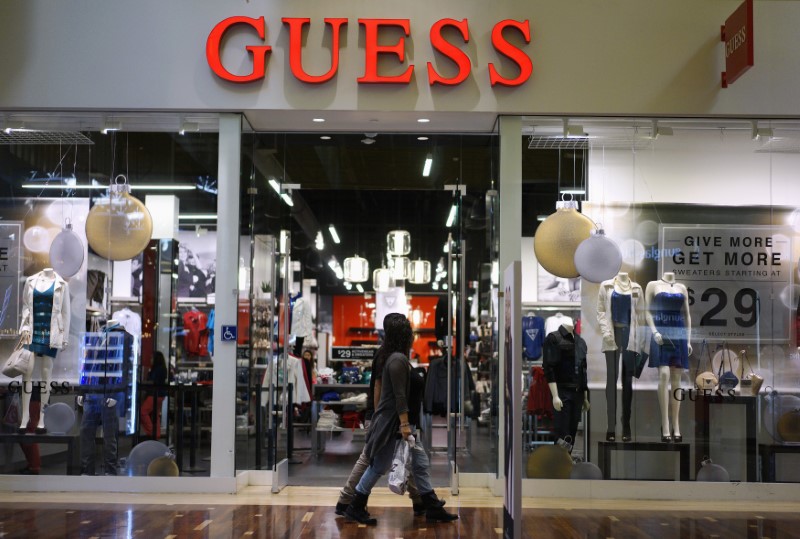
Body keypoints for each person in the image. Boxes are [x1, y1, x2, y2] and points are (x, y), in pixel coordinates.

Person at [344, 313, 457, 525]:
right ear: (404, 335)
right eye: (410, 332)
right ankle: (355, 506)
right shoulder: (397, 360)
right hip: (393, 425)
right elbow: (399, 396)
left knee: (419, 463)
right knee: (379, 466)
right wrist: (404, 424)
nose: (413, 336)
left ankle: (431, 505)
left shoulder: (396, 358)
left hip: (396, 423)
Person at [140, 351, 168, 439]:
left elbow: (153, 381)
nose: (150, 360)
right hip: (161, 395)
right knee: (155, 415)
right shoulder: (163, 368)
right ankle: (157, 434)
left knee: (143, 412)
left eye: (152, 358)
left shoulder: (157, 369)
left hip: (154, 394)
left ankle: (151, 432)